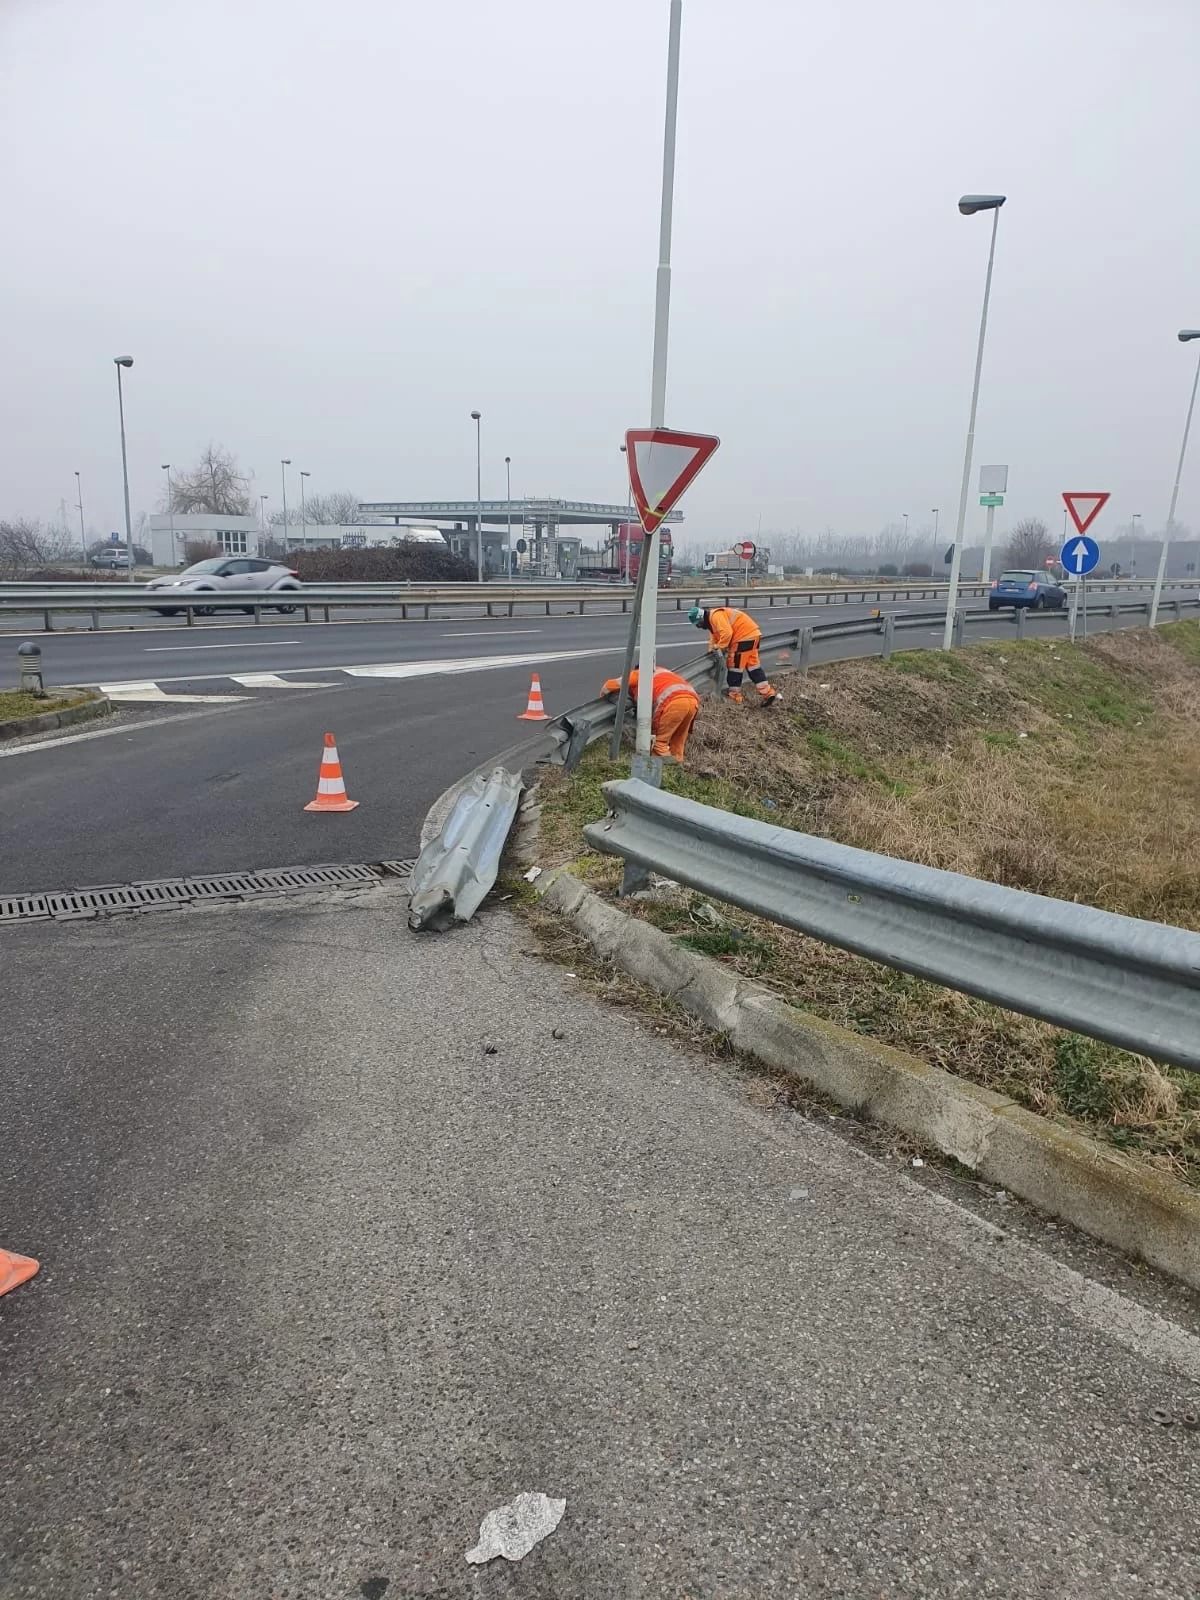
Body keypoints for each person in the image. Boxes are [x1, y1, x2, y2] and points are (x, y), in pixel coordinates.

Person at [601, 666, 701, 763]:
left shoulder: (641, 673)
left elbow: (611, 684)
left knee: (659, 744)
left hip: (673, 703)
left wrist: (603, 695)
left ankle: (668, 769)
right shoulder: (662, 672)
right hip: (693, 702)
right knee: (678, 740)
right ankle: (678, 763)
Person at [687, 605, 781, 705]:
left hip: (743, 639)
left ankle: (735, 697)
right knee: (753, 667)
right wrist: (711, 650)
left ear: (701, 618)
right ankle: (768, 693)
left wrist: (720, 647)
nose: (699, 627)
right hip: (753, 635)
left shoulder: (715, 616)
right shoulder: (712, 620)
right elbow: (714, 638)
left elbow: (727, 633)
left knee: (734, 667)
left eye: (698, 624)